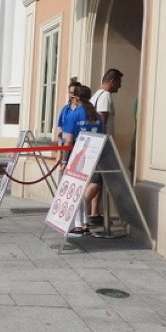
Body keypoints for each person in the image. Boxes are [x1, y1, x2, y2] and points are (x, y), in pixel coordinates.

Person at [62, 85, 103, 236]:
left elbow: (69, 140)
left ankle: (79, 225)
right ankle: (85, 223)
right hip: (94, 156)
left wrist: (64, 161)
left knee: (77, 189)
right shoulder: (97, 115)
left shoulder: (74, 115)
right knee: (85, 188)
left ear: (76, 98)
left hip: (78, 156)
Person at [86, 68, 124, 226]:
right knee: (97, 179)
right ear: (112, 81)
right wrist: (103, 144)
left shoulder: (95, 95)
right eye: (119, 83)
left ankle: (95, 213)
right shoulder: (105, 96)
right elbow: (102, 119)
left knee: (100, 179)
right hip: (102, 144)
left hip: (93, 143)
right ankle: (81, 207)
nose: (120, 87)